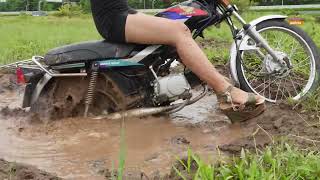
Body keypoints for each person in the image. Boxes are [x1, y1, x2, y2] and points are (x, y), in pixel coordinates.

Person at [89, 0, 266, 121]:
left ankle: (186, 82)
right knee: (179, 31)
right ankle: (225, 92)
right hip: (114, 19)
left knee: (171, 29)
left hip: (123, 14)